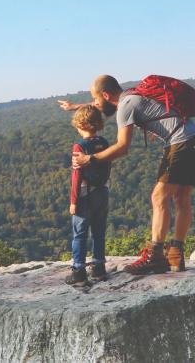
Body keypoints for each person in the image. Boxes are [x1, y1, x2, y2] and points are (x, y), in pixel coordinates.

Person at [71, 75, 195, 274]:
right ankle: (176, 254)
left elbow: (122, 147)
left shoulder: (126, 106)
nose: (96, 105)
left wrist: (90, 159)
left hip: (180, 143)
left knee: (159, 197)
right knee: (182, 198)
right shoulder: (134, 94)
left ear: (106, 95)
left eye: (96, 100)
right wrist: (76, 106)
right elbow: (101, 104)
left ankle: (155, 257)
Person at [65, 105, 111, 286]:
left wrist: (73, 201)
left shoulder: (80, 146)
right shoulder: (104, 143)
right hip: (103, 192)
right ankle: (99, 269)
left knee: (80, 234)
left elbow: (77, 175)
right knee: (99, 232)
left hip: (85, 195)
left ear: (80, 124)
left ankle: (79, 273)